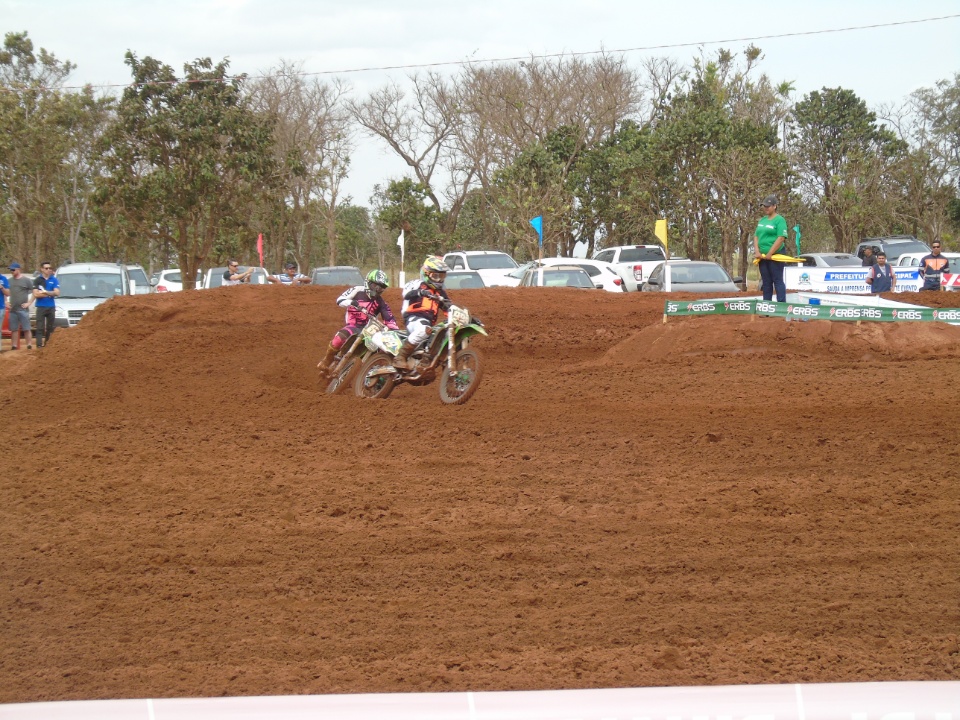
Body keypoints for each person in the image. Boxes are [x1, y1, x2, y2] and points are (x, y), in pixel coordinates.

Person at [317, 269, 399, 374]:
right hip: (353, 325)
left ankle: (366, 377)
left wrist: (392, 329)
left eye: (381, 287)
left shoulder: (381, 302)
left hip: (369, 330)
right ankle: (327, 360)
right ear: (368, 282)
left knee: (379, 351)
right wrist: (352, 302)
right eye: (375, 286)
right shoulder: (357, 291)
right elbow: (340, 300)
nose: (377, 290)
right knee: (338, 339)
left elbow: (389, 318)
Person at [394, 256, 453, 370]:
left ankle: (429, 361)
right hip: (413, 318)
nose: (439, 280)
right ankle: (400, 357)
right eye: (436, 276)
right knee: (424, 329)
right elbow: (406, 294)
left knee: (446, 331)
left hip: (428, 323)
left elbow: (449, 308)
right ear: (426, 274)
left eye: (442, 276)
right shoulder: (417, 284)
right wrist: (421, 292)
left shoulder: (440, 293)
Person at [753, 195, 789, 302]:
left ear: (775, 206)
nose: (766, 208)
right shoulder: (762, 220)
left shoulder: (780, 220)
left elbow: (781, 238)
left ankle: (781, 306)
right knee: (766, 281)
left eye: (768, 206)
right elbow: (756, 236)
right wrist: (757, 251)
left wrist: (770, 253)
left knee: (777, 280)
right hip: (762, 256)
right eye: (764, 206)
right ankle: (766, 306)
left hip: (776, 255)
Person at [7, 263, 35, 350]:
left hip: (23, 309)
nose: (12, 271)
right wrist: (6, 302)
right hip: (13, 309)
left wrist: (29, 303)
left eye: (13, 270)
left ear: (18, 269)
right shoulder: (9, 281)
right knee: (14, 329)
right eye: (11, 270)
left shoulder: (26, 280)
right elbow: (6, 292)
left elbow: (34, 292)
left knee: (26, 328)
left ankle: (29, 345)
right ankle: (14, 346)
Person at [32, 261, 60, 348]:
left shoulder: (54, 279)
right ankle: (39, 345)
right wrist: (50, 293)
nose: (49, 270)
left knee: (50, 327)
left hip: (51, 306)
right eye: (46, 268)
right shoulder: (37, 280)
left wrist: (45, 292)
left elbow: (57, 292)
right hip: (41, 306)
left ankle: (47, 345)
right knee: (40, 327)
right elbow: (36, 294)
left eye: (50, 268)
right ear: (42, 269)